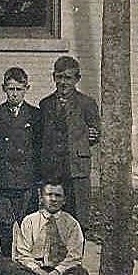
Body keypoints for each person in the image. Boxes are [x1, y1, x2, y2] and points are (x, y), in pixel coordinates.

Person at [0, 182, 89, 275]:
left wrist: (54, 274)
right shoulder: (30, 221)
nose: (53, 199)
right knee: (8, 267)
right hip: (36, 270)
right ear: (41, 198)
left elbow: (74, 256)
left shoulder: (72, 224)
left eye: (58, 195)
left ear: (64, 200)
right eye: (49, 195)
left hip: (61, 272)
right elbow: (23, 255)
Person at [38, 56, 100, 232]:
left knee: (79, 218)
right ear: (53, 77)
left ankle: (76, 257)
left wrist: (91, 135)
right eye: (59, 77)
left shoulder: (87, 103)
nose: (63, 82)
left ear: (77, 79)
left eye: (68, 78)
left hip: (77, 169)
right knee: (53, 217)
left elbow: (96, 133)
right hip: (53, 170)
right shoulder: (45, 104)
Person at [0, 67, 42, 255]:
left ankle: (29, 265)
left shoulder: (35, 115)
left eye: (18, 89)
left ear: (26, 88)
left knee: (28, 226)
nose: (14, 94)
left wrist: (38, 180)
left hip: (26, 182)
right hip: (2, 181)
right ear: (4, 88)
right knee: (4, 226)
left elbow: (39, 148)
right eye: (10, 89)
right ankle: (6, 264)